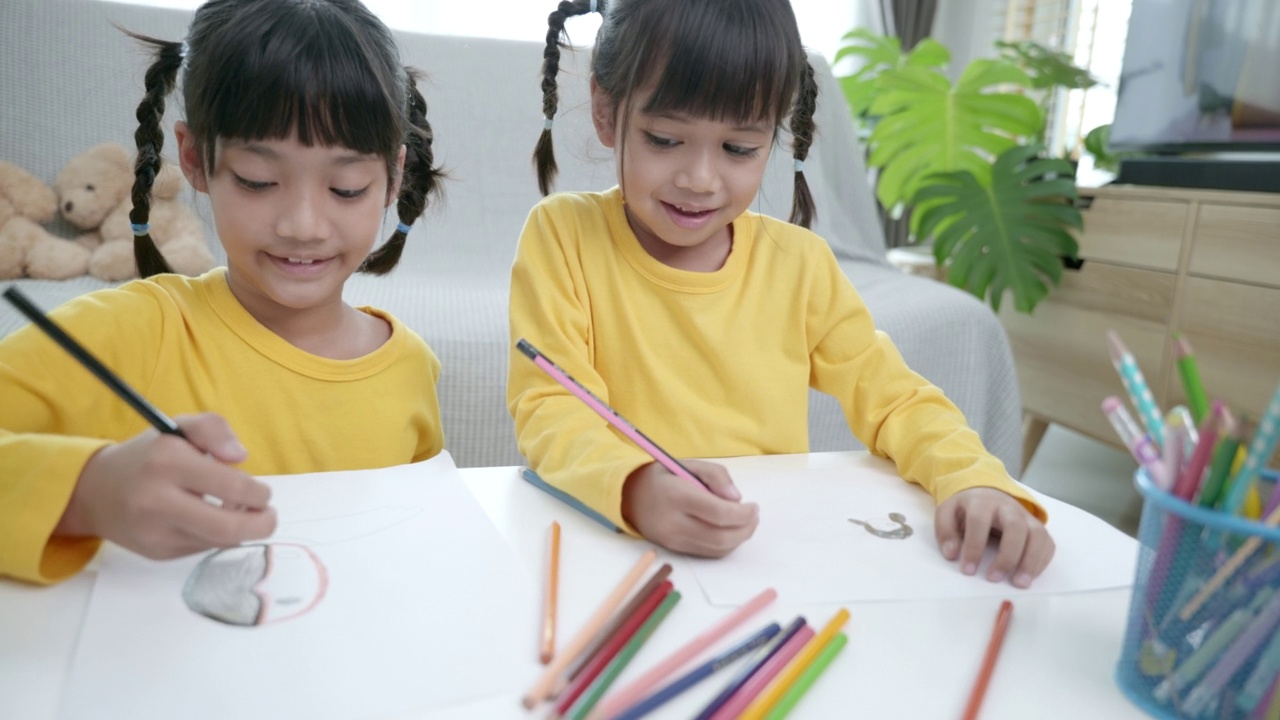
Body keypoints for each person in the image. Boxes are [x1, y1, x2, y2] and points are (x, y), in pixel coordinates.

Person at [508, 0, 1056, 587]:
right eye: (665, 139)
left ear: (775, 133)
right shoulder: (562, 236)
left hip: (765, 558)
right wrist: (636, 487)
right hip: (616, 553)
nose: (700, 179)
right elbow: (552, 407)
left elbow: (895, 400)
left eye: (739, 149)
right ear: (605, 111)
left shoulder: (801, 266)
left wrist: (972, 478)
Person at [0, 0, 445, 585]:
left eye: (346, 187)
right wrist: (86, 492)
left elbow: (425, 542)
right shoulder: (133, 331)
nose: (303, 224)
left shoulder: (410, 367)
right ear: (194, 159)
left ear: (392, 178)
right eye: (258, 181)